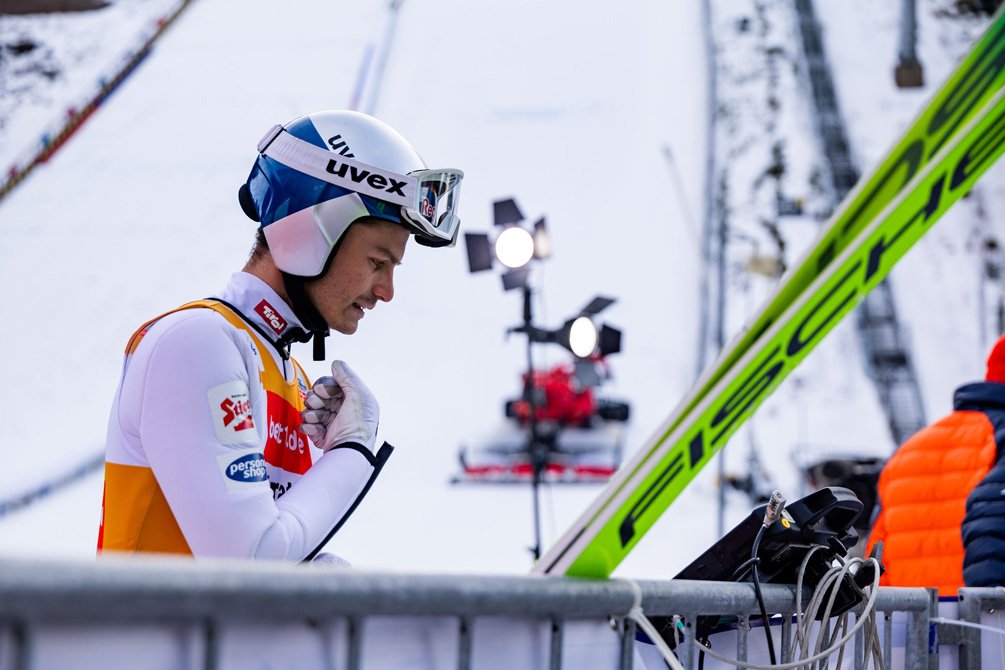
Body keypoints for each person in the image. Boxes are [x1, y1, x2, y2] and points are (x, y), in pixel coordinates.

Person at [98, 110, 463, 561]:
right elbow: (252, 559)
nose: (386, 291)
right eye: (377, 262)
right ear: (311, 230)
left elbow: (272, 556)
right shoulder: (196, 343)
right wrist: (350, 450)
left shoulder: (287, 377)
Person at [865, 334, 1005, 595]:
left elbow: (876, 557)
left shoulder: (907, 451)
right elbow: (993, 535)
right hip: (979, 617)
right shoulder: (999, 436)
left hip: (911, 617)